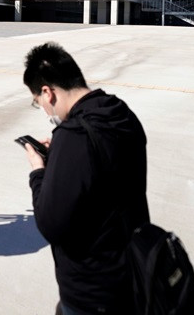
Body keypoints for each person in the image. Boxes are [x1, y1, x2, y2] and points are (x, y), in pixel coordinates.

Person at [20, 42, 150, 315]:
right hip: (133, 271)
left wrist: (38, 171)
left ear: (48, 92)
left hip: (92, 290)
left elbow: (50, 223)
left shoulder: (74, 135)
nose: (43, 108)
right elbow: (103, 168)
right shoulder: (119, 112)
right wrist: (61, 155)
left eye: (38, 102)